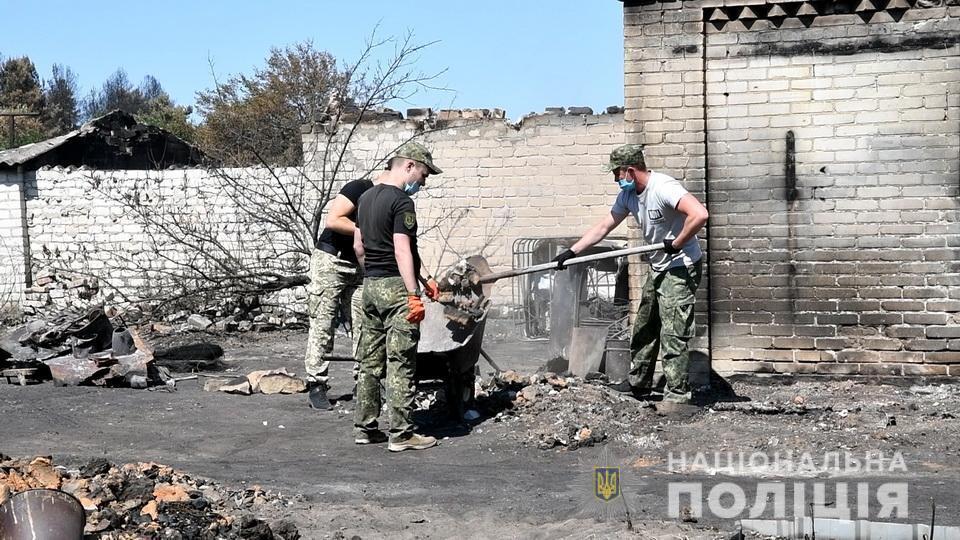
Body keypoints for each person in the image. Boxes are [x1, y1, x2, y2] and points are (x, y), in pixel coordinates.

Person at [553, 144, 708, 405]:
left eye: (617, 173)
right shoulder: (628, 196)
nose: (615, 178)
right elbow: (605, 225)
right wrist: (572, 251)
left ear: (630, 171)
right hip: (659, 266)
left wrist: (679, 241)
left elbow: (700, 214)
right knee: (645, 328)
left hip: (681, 266)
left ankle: (677, 398)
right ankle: (639, 385)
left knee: (673, 333)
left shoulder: (663, 188)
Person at [352, 141, 442, 451]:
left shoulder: (364, 198)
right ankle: (402, 434)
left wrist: (425, 276)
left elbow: (359, 247)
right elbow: (403, 249)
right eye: (424, 173)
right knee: (401, 361)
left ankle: (365, 427)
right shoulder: (402, 202)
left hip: (370, 286)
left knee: (369, 362)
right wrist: (413, 293)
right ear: (409, 166)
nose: (424, 181)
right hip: (395, 289)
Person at [303, 174, 379, 410]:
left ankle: (364, 383)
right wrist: (366, 229)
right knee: (322, 323)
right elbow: (334, 220)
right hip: (331, 261)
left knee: (364, 323)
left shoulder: (390, 200)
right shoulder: (361, 188)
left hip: (358, 266)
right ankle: (316, 384)